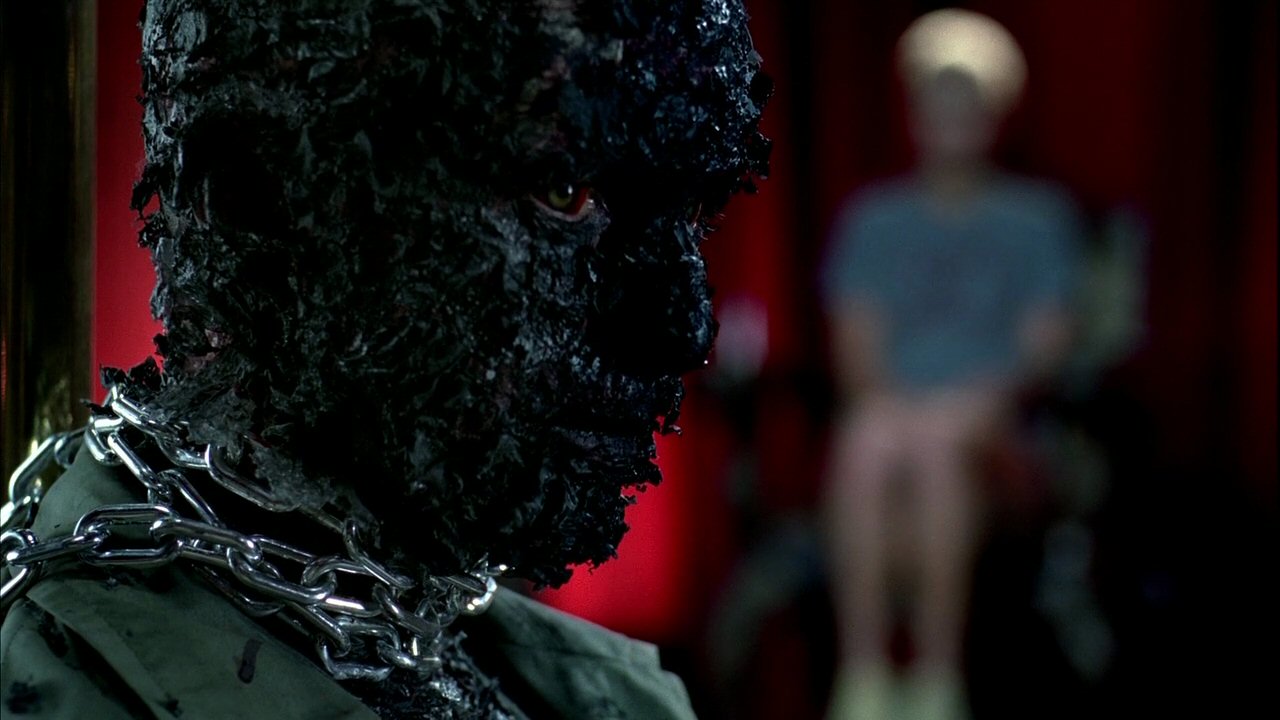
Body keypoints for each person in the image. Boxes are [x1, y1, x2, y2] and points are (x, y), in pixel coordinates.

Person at [0, 1, 770, 717]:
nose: (682, 326)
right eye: (563, 191)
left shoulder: (610, 695)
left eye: (695, 213)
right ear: (253, 193)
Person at [821, 10, 1081, 720]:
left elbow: (1046, 347)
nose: (953, 116)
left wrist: (975, 403)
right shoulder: (874, 220)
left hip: (998, 432)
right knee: (868, 440)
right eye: (939, 100)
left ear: (997, 116)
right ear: (913, 113)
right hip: (896, 426)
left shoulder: (1038, 219)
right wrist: (902, 411)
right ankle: (864, 679)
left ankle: (937, 681)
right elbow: (856, 351)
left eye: (970, 101)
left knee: (937, 443)